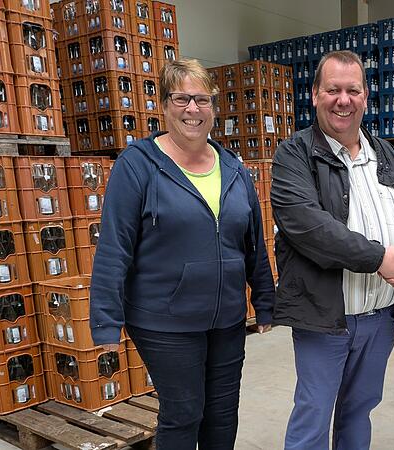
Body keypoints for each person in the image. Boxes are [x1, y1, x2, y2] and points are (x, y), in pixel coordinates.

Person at [89, 57, 275, 450]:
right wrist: (106, 320)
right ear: (164, 106)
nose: (193, 109)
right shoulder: (138, 165)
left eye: (202, 100)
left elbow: (254, 242)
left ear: (213, 107)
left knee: (223, 416)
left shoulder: (233, 167)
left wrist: (264, 301)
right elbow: (114, 246)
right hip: (164, 321)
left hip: (226, 318)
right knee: (184, 412)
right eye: (181, 98)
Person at [270, 50, 394, 450]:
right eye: (333, 90)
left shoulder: (385, 153)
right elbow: (308, 226)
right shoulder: (295, 154)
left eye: (352, 90)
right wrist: (381, 259)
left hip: (380, 319)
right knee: (313, 415)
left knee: (360, 411)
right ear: (314, 95)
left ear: (365, 96)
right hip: (326, 319)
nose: (343, 99)